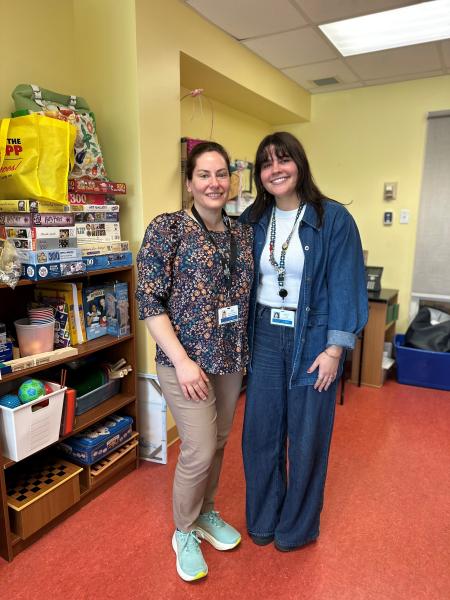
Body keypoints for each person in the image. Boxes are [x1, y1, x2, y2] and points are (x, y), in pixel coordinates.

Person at [239, 132, 368, 552]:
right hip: (264, 335)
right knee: (260, 433)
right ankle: (262, 521)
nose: (276, 169)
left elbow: (346, 284)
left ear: (299, 164)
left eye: (284, 159)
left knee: (308, 435)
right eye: (266, 163)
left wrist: (335, 350)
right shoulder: (253, 220)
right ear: (259, 175)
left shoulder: (332, 218)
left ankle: (296, 528)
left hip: (313, 336)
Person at [136, 141, 253, 581]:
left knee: (219, 441)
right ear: (189, 183)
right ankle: (183, 530)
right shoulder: (167, 229)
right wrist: (182, 360)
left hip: (230, 358)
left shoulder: (242, 233)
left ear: (231, 180)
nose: (214, 182)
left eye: (221, 173)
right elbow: (148, 298)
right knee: (199, 448)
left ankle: (207, 512)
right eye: (203, 174)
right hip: (184, 362)